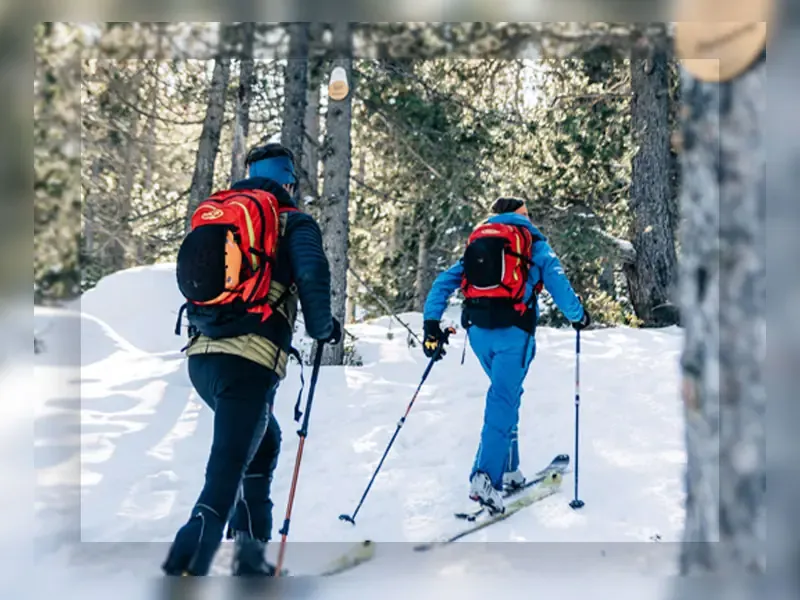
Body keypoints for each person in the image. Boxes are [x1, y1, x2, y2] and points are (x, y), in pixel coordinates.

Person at [163, 143, 342, 576]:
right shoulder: (293, 221)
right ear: (289, 182)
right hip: (248, 362)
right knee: (225, 470)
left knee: (262, 444)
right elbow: (313, 272)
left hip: (203, 360)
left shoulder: (223, 214)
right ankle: (185, 567)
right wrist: (323, 327)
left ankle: (248, 557)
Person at [421, 197, 590, 514]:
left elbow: (444, 281)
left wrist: (431, 323)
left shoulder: (481, 239)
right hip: (515, 331)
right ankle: (484, 477)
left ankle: (510, 469)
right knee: (503, 397)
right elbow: (556, 278)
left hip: (479, 334)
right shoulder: (532, 241)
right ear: (522, 214)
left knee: (507, 394)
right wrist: (577, 315)